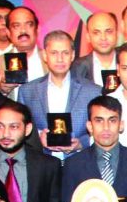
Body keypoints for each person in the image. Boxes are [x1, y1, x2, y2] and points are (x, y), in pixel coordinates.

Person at [19, 30, 102, 160]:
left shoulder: (93, 91)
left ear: (73, 55)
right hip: (42, 164)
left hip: (79, 162)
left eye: (65, 53)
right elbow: (20, 128)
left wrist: (81, 143)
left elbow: (101, 128)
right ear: (45, 56)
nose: (60, 59)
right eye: (54, 53)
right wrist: (39, 136)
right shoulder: (27, 91)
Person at [70, 12, 120, 87]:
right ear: (88, 37)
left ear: (117, 34)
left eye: (108, 32)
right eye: (96, 33)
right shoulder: (76, 68)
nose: (103, 38)